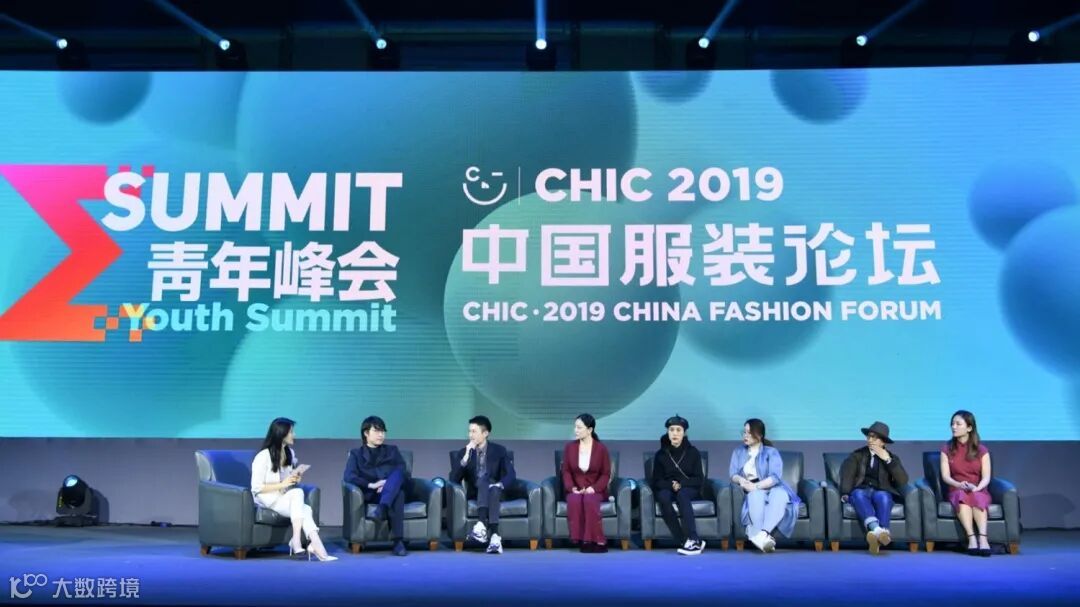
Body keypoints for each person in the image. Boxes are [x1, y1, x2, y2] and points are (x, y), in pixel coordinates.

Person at [250, 417, 336, 561]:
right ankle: (298, 541)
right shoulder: (263, 456)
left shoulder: (289, 453)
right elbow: (256, 487)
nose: (294, 435)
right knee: (299, 495)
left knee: (305, 508)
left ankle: (316, 545)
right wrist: (283, 485)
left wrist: (295, 478)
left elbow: (286, 481)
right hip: (267, 499)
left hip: (282, 497)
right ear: (281, 433)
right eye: (291, 432)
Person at [728, 418, 801, 553]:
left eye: (749, 433)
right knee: (755, 496)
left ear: (759, 435)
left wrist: (756, 486)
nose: (745, 436)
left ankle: (761, 534)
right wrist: (742, 481)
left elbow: (775, 477)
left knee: (779, 495)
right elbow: (733, 474)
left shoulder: (771, 452)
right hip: (751, 488)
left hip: (772, 486)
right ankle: (763, 539)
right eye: (744, 432)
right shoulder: (738, 452)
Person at [839, 421, 910, 554]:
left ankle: (877, 535)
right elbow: (847, 475)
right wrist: (845, 493)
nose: (870, 440)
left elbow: (903, 480)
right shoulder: (857, 455)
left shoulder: (892, 458)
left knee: (883, 497)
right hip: (861, 489)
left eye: (875, 437)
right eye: (869, 436)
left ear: (883, 442)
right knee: (858, 494)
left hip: (881, 491)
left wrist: (888, 460)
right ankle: (880, 532)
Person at [343, 416, 409, 556]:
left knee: (398, 476)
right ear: (366, 433)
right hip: (372, 494)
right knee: (398, 494)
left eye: (383, 431)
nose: (381, 435)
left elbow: (403, 471)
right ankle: (398, 542)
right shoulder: (356, 454)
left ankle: (383, 508)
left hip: (390, 489)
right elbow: (349, 476)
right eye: (377, 431)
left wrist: (387, 484)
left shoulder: (392, 450)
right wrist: (371, 485)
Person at [449, 415, 516, 554]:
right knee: (483, 480)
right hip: (476, 492)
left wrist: (500, 485)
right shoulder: (464, 453)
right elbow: (453, 479)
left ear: (485, 433)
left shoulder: (499, 451)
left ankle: (482, 526)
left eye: (474, 431)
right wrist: (465, 458)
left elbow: (511, 474)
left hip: (496, 491)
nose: (470, 435)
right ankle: (495, 536)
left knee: (492, 487)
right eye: (469, 431)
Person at [650, 414, 706, 555]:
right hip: (668, 487)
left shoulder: (693, 452)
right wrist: (671, 485)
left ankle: (694, 539)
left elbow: (699, 479)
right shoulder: (661, 454)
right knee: (663, 497)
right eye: (671, 430)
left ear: (684, 433)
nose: (675, 433)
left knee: (682, 495)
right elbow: (656, 481)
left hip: (688, 488)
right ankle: (683, 540)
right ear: (667, 432)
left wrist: (681, 484)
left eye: (678, 430)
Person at [941, 410, 993, 557]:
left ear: (969, 428)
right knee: (961, 497)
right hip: (956, 488)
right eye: (952, 424)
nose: (953, 427)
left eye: (958, 424)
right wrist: (958, 484)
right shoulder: (947, 449)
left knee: (977, 497)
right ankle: (971, 539)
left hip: (978, 488)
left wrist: (978, 488)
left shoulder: (982, 450)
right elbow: (946, 476)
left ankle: (983, 538)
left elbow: (986, 477)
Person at [561, 413, 613, 553]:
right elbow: (566, 471)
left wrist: (593, 488)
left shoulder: (601, 449)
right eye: (575, 427)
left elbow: (605, 474)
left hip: (595, 490)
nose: (575, 430)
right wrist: (571, 488)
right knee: (574, 500)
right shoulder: (570, 448)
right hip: (576, 489)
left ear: (590, 430)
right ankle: (578, 539)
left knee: (590, 500)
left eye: (579, 428)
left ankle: (594, 540)